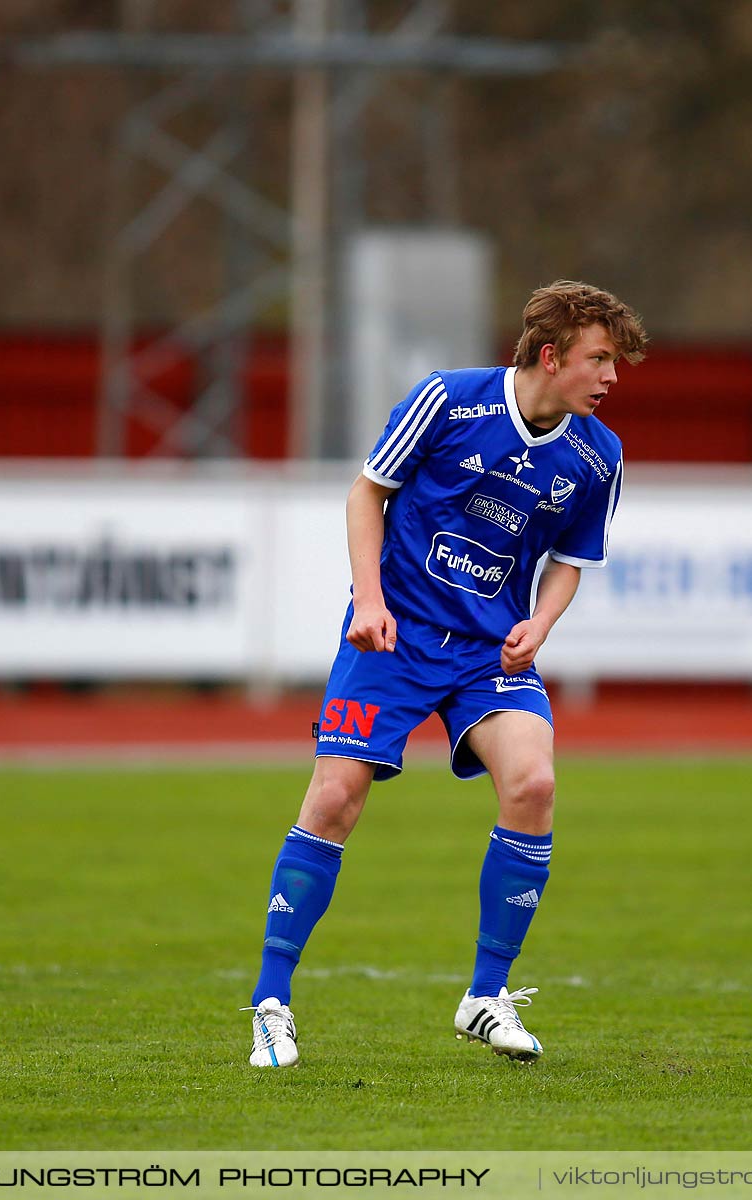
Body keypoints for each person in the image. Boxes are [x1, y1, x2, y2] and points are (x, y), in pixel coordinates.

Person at [244, 280, 647, 1068]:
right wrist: (368, 596)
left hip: (487, 653)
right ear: (549, 355)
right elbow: (368, 492)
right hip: (391, 639)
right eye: (600, 359)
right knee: (333, 799)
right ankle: (271, 1002)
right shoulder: (447, 402)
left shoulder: (599, 455)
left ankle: (485, 996)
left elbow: (570, 561)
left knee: (533, 784)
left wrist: (544, 620)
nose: (612, 378)